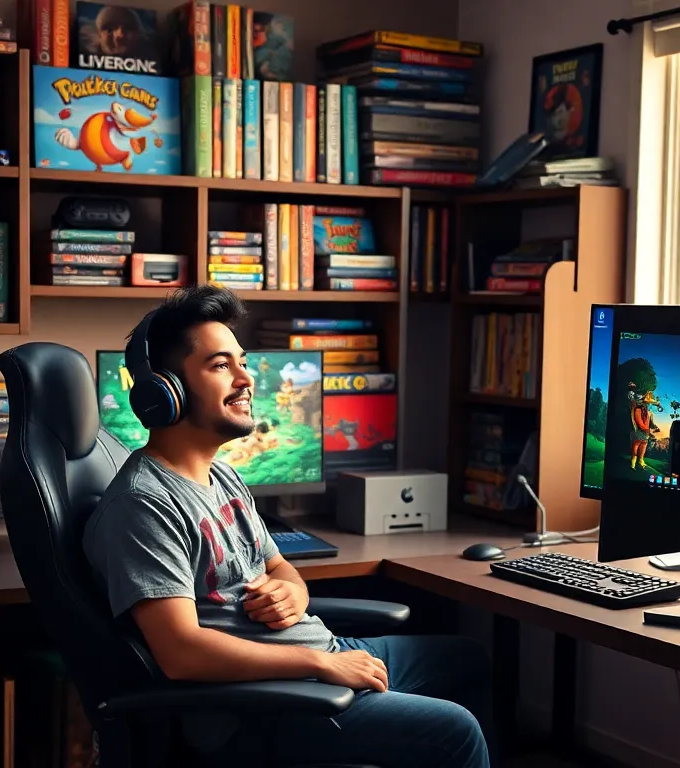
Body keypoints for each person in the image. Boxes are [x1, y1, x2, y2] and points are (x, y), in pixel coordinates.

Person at [82, 285, 496, 767]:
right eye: (221, 365)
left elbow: (280, 568)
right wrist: (322, 663)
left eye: (242, 362)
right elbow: (181, 652)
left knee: (468, 660)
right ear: (164, 392)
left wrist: (293, 594)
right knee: (455, 731)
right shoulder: (144, 505)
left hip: (312, 660)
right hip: (263, 708)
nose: (246, 378)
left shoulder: (222, 476)